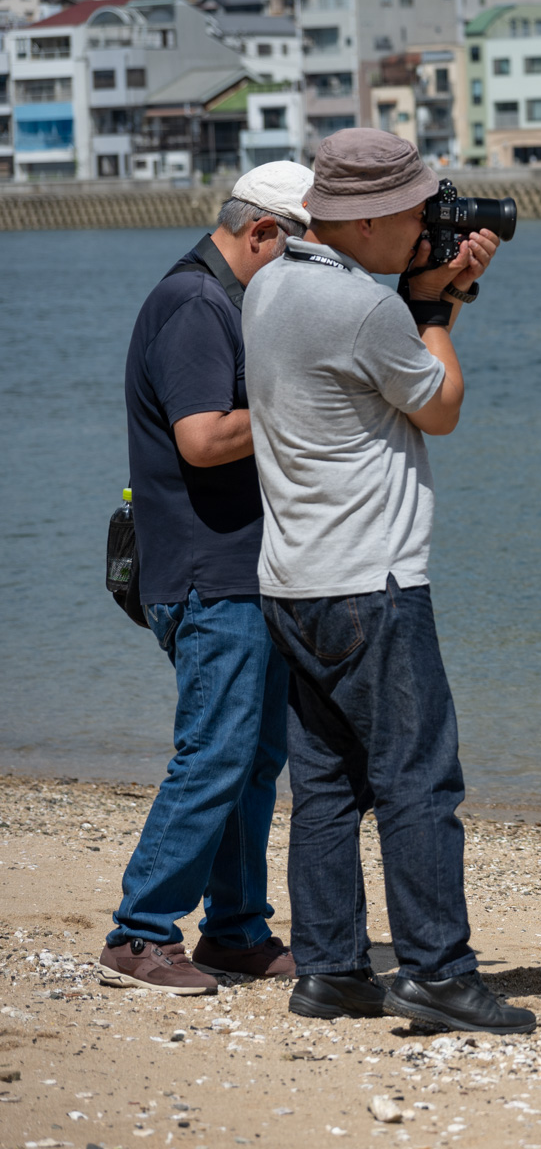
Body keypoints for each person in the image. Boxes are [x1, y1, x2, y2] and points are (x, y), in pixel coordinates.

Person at [242, 129, 525, 1033]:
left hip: (293, 581)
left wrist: (429, 295)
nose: (424, 226)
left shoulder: (271, 283)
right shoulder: (362, 308)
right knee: (419, 782)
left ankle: (330, 969)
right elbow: (440, 406)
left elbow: (385, 376)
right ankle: (437, 972)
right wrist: (436, 307)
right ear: (365, 220)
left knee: (327, 785)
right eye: (413, 213)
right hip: (374, 581)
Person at [100, 163, 315, 996]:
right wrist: (307, 404)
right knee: (216, 754)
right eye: (302, 253)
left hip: (243, 570)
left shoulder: (232, 300)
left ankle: (235, 931)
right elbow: (201, 438)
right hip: (206, 572)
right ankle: (141, 932)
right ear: (261, 233)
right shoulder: (194, 303)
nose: (309, 275)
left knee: (252, 760)